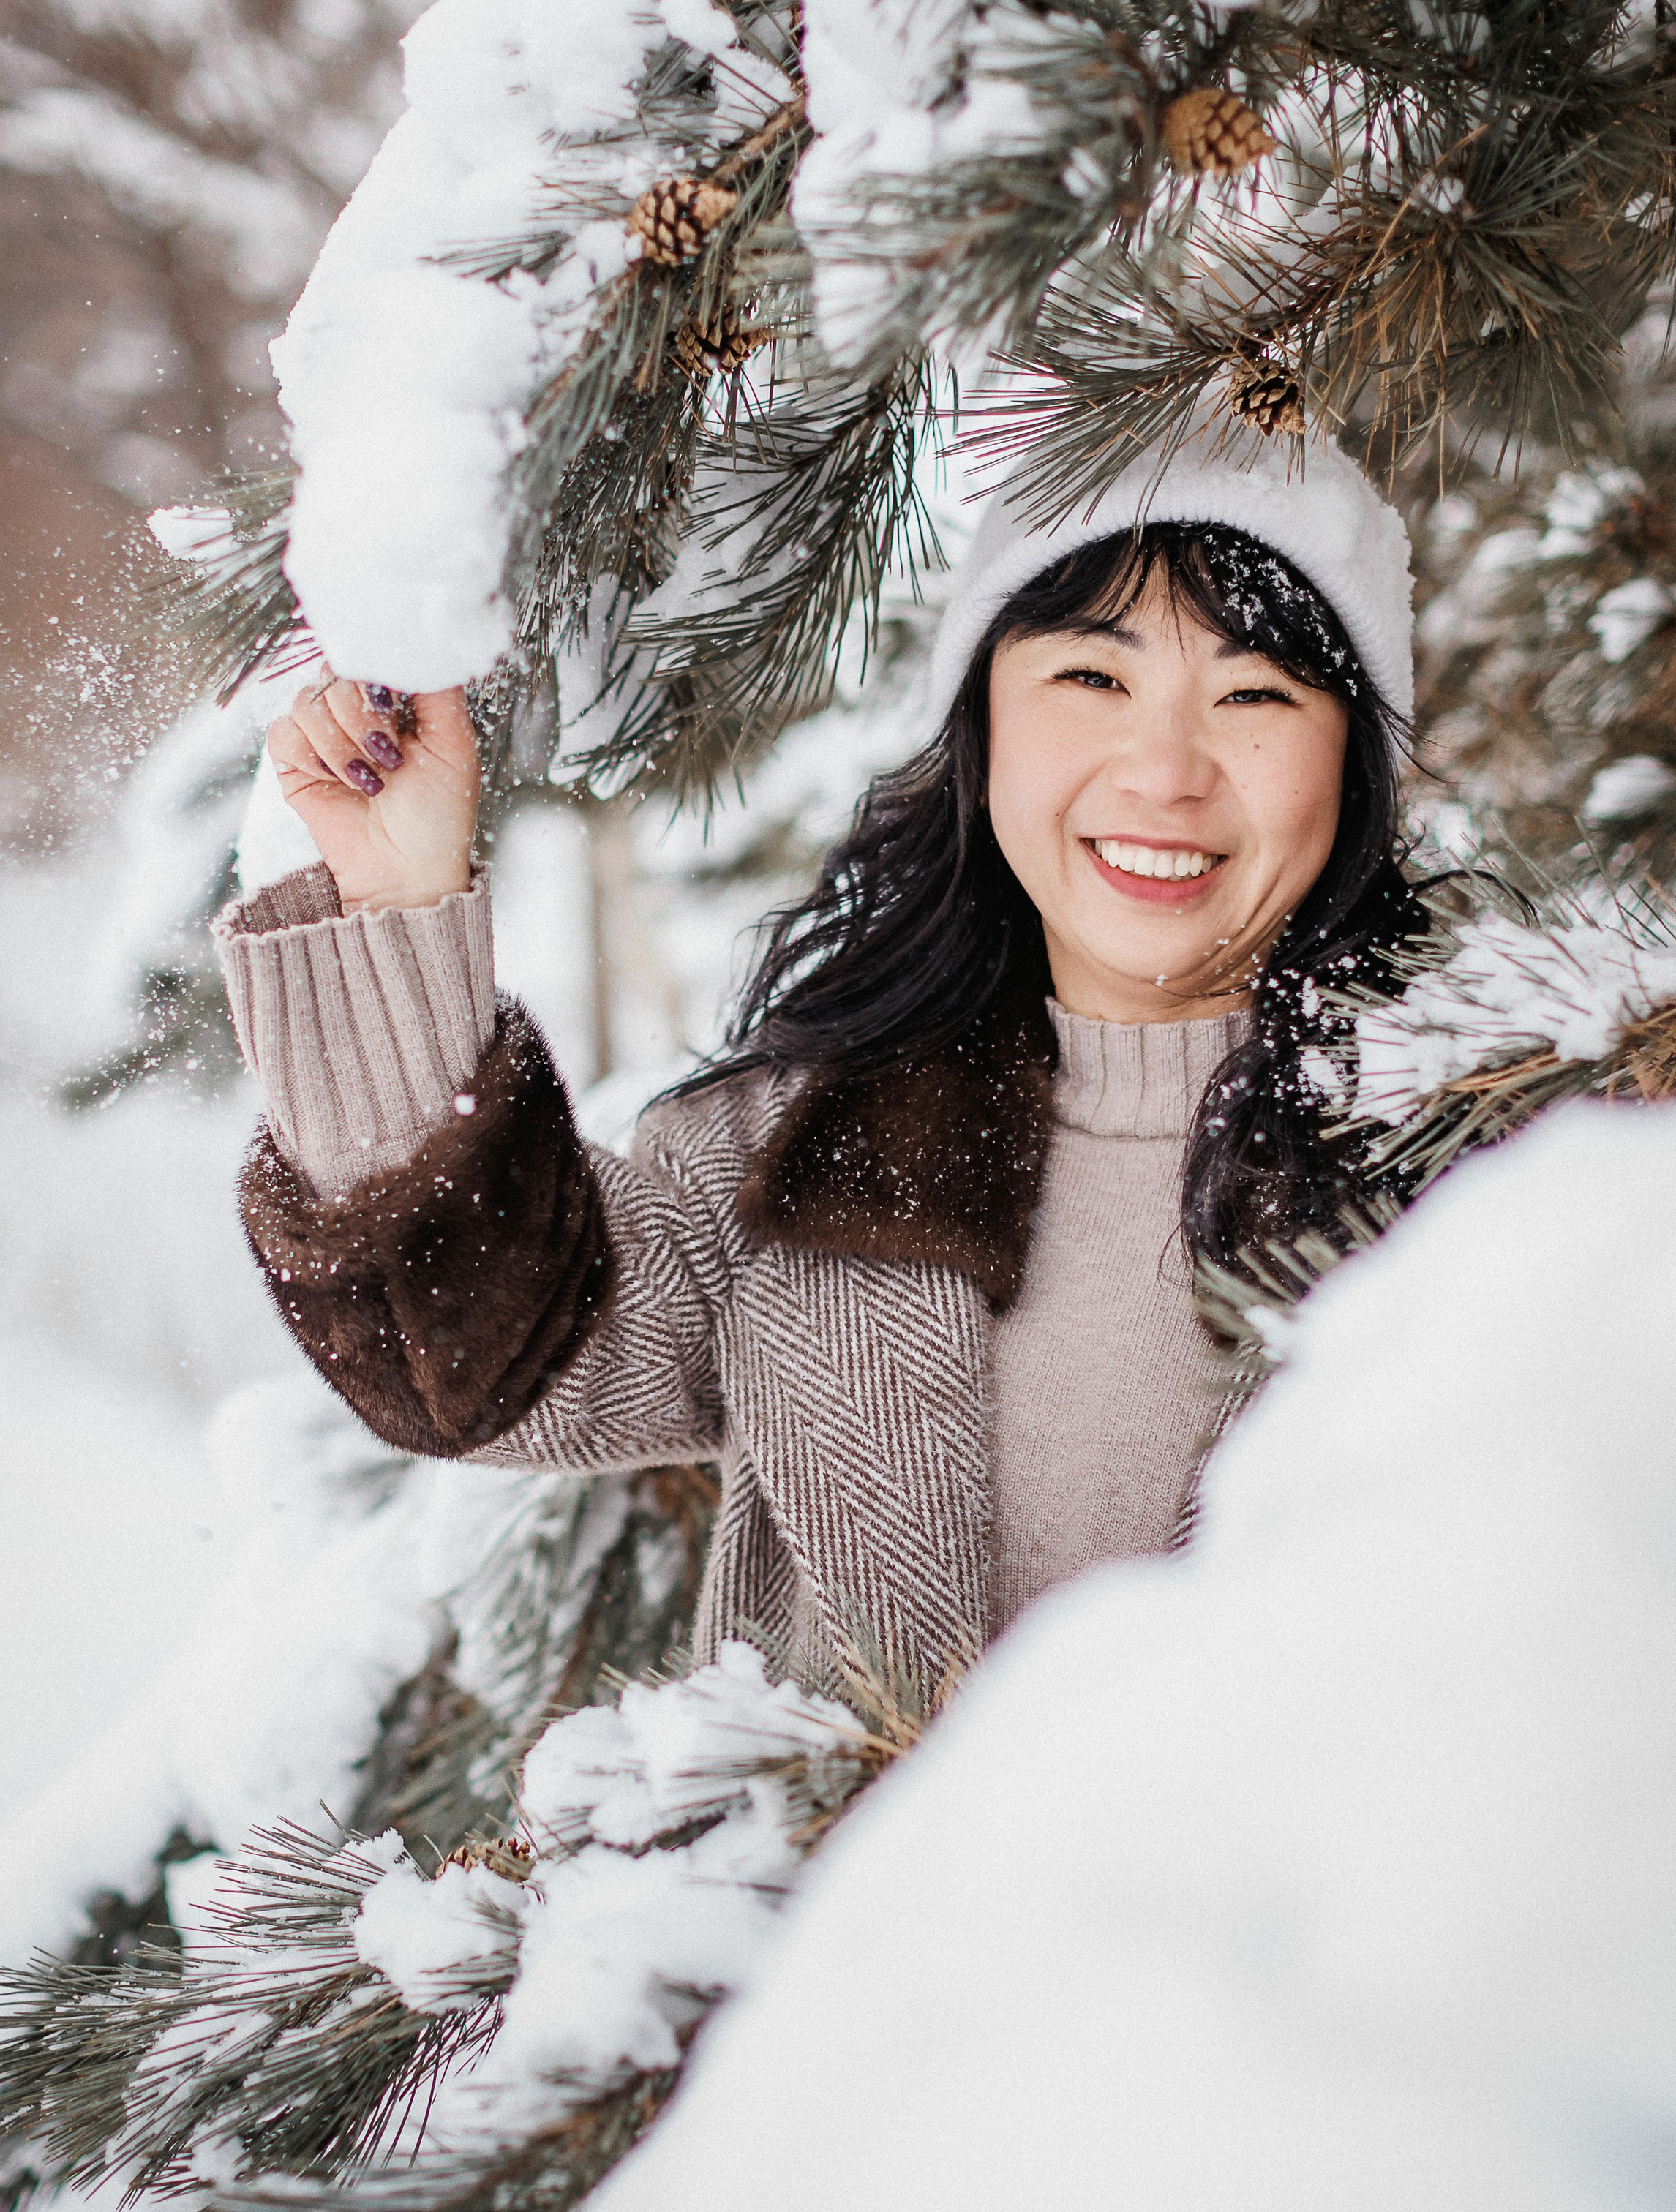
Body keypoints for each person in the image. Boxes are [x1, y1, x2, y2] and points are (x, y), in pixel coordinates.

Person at [216, 426, 1420, 1698]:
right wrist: (397, 905)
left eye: (1255, 695)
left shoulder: (1479, 1162)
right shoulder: (796, 1159)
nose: (1166, 774)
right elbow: (480, 1361)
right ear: (983, 722)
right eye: (1092, 676)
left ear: (1354, 761)